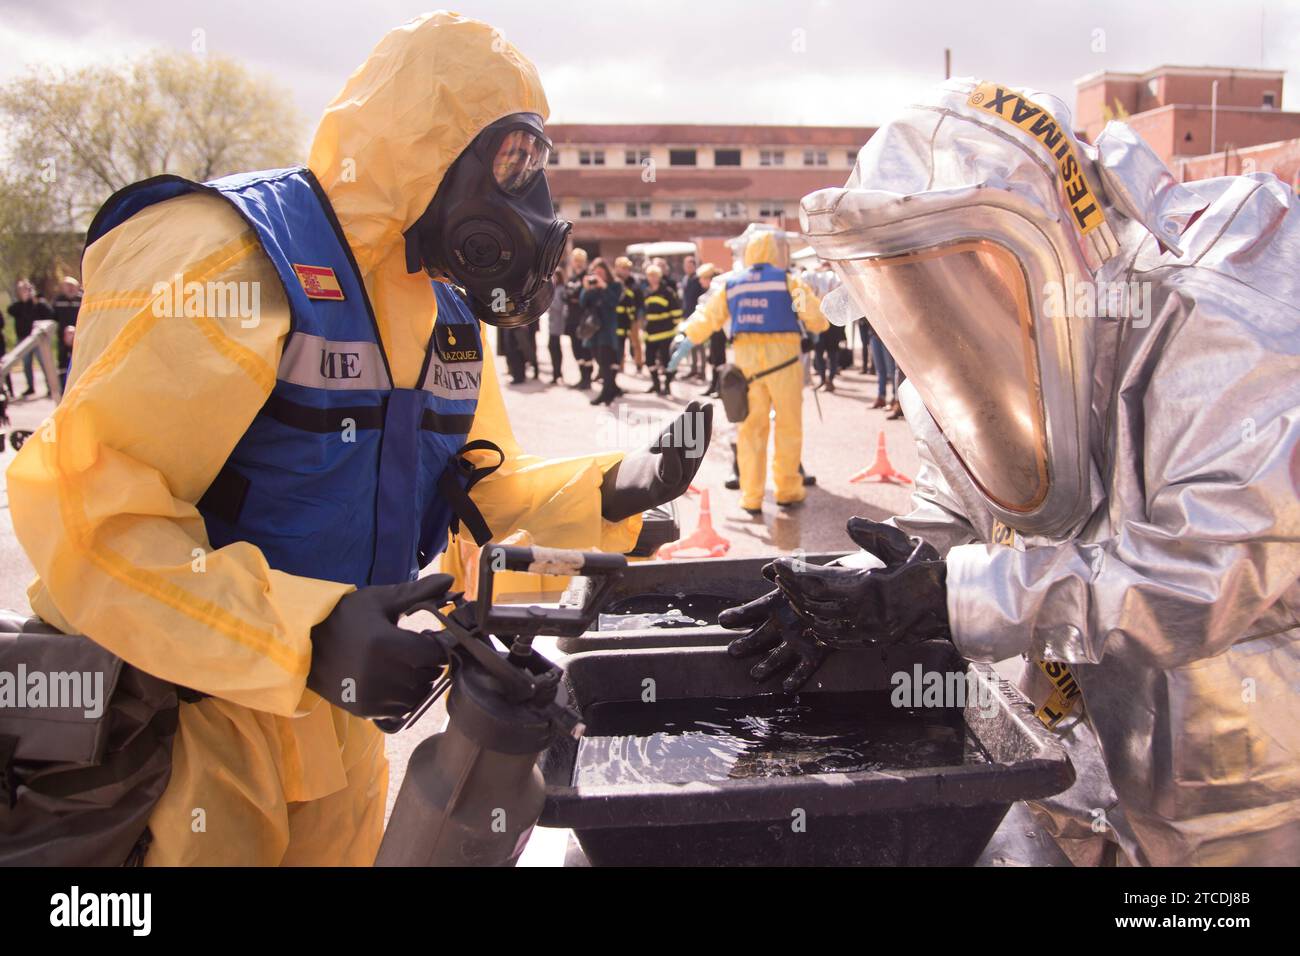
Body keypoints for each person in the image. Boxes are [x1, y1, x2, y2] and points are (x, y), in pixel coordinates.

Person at [7, 12, 710, 866]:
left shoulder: (443, 311)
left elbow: (474, 502)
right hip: (189, 714)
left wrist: (612, 491)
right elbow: (92, 516)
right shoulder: (232, 257)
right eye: (509, 158)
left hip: (339, 722)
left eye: (536, 161)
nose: (526, 194)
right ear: (424, 146)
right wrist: (301, 633)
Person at [725, 80, 1299, 866]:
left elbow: (1204, 577)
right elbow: (950, 528)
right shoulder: (958, 378)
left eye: (969, 276)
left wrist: (951, 598)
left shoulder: (1229, 317)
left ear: (1066, 237)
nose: (948, 318)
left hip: (1241, 786)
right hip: (1075, 774)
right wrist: (857, 591)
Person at [672, 230, 826, 513]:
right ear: (774, 253)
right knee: (788, 428)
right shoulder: (789, 282)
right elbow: (816, 320)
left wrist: (684, 339)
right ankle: (787, 491)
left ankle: (752, 497)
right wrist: (812, 321)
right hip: (785, 367)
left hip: (748, 371)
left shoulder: (733, 284)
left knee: (751, 431)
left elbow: (708, 318)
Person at [580, 257, 624, 406]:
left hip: (607, 328)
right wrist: (586, 289)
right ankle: (612, 389)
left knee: (606, 361)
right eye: (595, 273)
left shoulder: (615, 285)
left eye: (601, 272)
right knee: (599, 359)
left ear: (607, 272)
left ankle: (606, 394)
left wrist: (604, 287)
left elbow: (614, 302)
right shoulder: (592, 287)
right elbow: (583, 303)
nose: (598, 276)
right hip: (593, 330)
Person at [641, 263, 682, 396]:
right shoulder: (647, 292)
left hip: (665, 332)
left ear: (659, 277)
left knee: (666, 361)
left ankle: (667, 385)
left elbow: (676, 311)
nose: (652, 278)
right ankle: (656, 384)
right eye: (650, 276)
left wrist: (676, 328)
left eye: (654, 276)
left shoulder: (667, 292)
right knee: (649, 360)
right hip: (651, 333)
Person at [6, 280, 53, 397]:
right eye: (22, 290)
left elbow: (50, 313)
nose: (24, 292)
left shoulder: (38, 303)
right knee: (26, 364)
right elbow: (10, 310)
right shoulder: (18, 305)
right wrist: (25, 301)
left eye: (26, 289)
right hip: (23, 339)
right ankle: (30, 387)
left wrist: (34, 300)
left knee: (44, 363)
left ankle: (51, 386)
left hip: (38, 339)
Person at [563, 247, 594, 389]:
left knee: (585, 350)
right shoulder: (572, 277)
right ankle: (582, 377)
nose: (578, 264)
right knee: (576, 351)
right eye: (576, 261)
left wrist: (573, 296)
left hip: (583, 320)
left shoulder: (587, 277)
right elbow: (566, 295)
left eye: (581, 261)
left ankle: (587, 379)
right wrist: (572, 296)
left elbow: (580, 297)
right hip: (571, 319)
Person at [612, 256, 643, 371]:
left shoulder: (633, 283)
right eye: (623, 268)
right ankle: (620, 365)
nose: (626, 271)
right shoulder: (613, 281)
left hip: (632, 318)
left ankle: (639, 363)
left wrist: (638, 314)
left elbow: (640, 300)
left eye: (627, 268)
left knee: (635, 342)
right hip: (617, 318)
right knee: (619, 342)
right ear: (617, 268)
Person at [50, 275, 81, 389]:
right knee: (62, 364)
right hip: (63, 338)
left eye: (72, 286)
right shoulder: (58, 301)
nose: (70, 288)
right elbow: (52, 317)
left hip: (79, 338)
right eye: (67, 286)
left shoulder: (82, 299)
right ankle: (62, 388)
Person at [544, 266, 568, 383]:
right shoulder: (553, 289)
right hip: (552, 322)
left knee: (554, 347)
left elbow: (559, 306)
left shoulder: (561, 289)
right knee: (553, 347)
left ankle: (557, 373)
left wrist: (548, 302)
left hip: (558, 322)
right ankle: (556, 373)